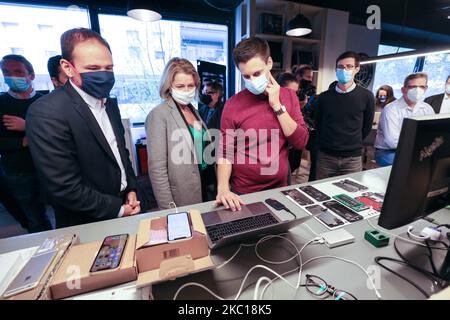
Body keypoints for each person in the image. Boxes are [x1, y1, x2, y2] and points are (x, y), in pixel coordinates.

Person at [26, 28, 140, 228]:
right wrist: (119, 209)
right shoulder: (47, 112)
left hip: (127, 204)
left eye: (109, 68)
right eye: (93, 68)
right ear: (68, 68)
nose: (103, 75)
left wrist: (131, 188)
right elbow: (64, 186)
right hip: (87, 220)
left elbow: (120, 154)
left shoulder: (110, 104)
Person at [215, 36, 309, 211]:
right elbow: (225, 151)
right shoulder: (232, 105)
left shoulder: (289, 96)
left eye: (257, 73)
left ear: (269, 63)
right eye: (246, 76)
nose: (252, 80)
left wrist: (277, 106)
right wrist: (223, 188)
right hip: (243, 193)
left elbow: (301, 141)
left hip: (279, 189)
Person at [146, 57, 216, 209]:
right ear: (169, 86)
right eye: (180, 86)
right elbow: (157, 169)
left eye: (190, 85)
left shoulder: (194, 110)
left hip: (206, 182)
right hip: (183, 192)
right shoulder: (159, 115)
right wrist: (168, 208)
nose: (186, 90)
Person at [0, 54, 52, 233]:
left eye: (18, 72)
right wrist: (23, 141)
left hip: (48, 166)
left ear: (31, 75)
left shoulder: (45, 102)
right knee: (35, 218)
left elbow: (56, 132)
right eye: (6, 72)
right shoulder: (1, 103)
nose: (12, 76)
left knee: (62, 210)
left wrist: (28, 126)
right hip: (19, 171)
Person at [314, 51, 375, 179]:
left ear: (356, 69)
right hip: (326, 155)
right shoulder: (324, 97)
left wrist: (351, 142)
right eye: (341, 67)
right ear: (336, 69)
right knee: (321, 191)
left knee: (350, 194)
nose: (344, 70)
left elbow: (366, 126)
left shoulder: (366, 96)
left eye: (349, 66)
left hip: (352, 157)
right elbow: (318, 124)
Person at [374, 72, 435, 167]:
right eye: (413, 87)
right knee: (402, 170)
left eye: (421, 87)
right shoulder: (391, 109)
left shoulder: (428, 109)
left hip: (417, 150)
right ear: (403, 89)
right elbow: (392, 142)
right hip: (389, 152)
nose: (417, 90)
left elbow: (432, 135)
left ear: (426, 89)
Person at [277, 73, 303, 173]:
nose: (294, 97)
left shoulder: (295, 106)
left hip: (290, 149)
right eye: (290, 92)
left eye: (295, 93)